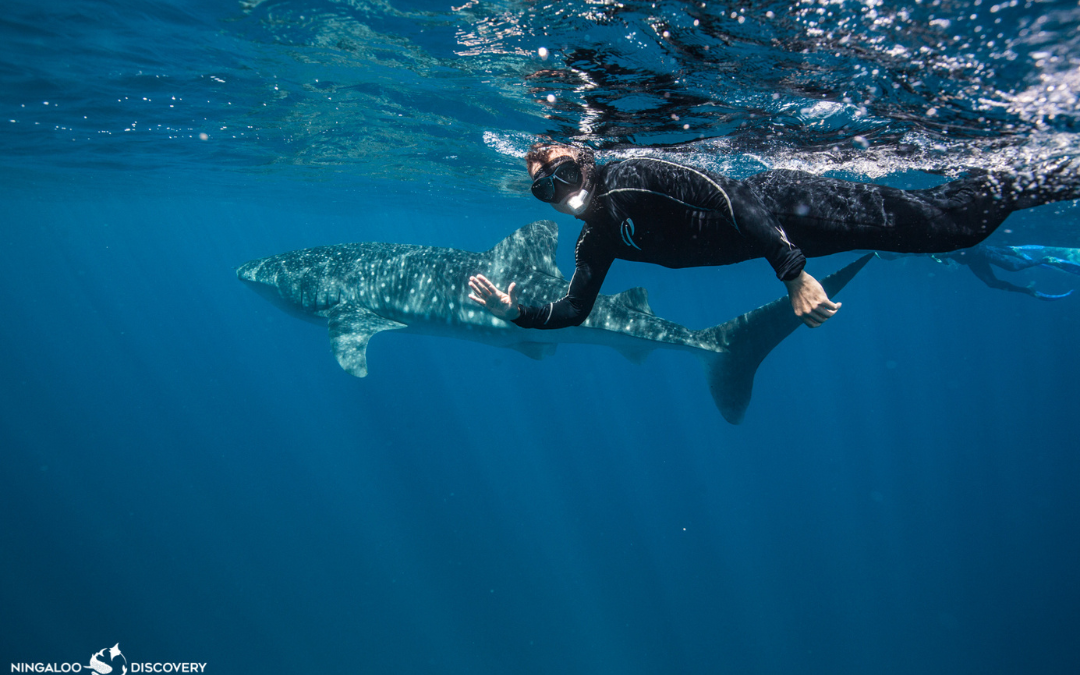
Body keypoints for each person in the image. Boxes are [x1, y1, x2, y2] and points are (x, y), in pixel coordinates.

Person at [469, 142, 1079, 329]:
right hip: (785, 226)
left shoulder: (630, 177)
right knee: (941, 219)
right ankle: (1011, 171)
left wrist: (793, 273)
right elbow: (575, 310)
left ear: (587, 160)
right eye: (546, 191)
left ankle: (1046, 169)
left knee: (952, 228)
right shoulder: (595, 240)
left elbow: (733, 197)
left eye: (566, 175)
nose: (564, 193)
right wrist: (513, 310)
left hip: (791, 207)